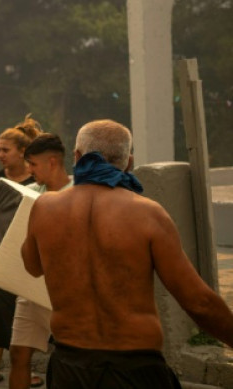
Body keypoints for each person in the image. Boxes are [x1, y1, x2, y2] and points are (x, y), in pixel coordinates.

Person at [22, 120, 233, 388]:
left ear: (76, 157)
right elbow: (198, 302)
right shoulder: (148, 213)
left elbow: (32, 266)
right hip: (135, 369)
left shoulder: (44, 207)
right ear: (129, 162)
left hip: (70, 365)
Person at [0, 115, 41, 389]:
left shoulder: (38, 181)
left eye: (5, 149)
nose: (0, 154)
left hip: (28, 259)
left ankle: (21, 369)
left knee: (24, 316)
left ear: (22, 152)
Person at [8, 134, 70, 389]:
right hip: (29, 289)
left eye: (33, 165)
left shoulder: (76, 195)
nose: (29, 171)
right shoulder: (29, 193)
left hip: (62, 293)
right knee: (18, 353)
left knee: (70, 358)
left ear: (52, 162)